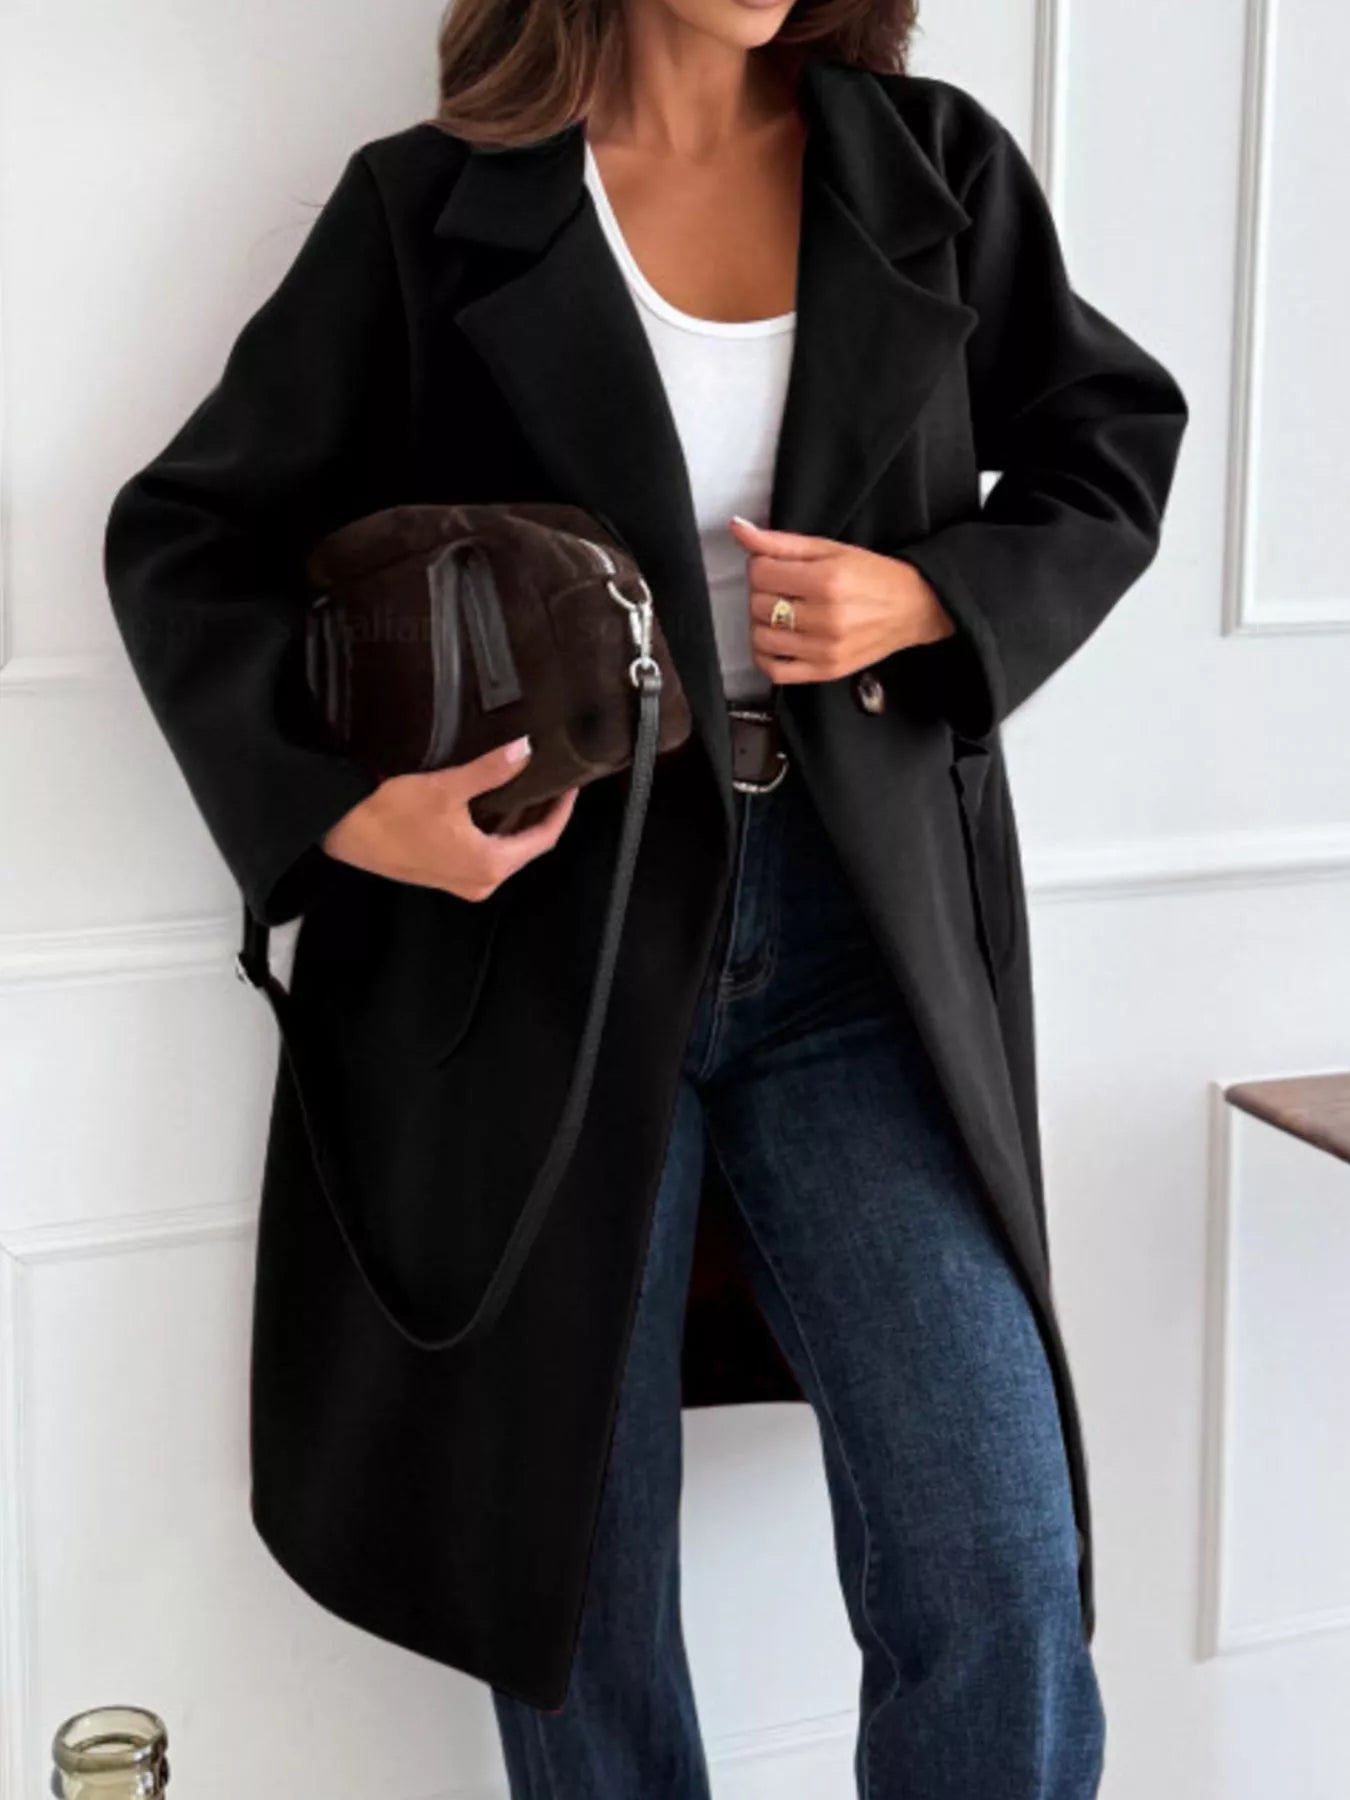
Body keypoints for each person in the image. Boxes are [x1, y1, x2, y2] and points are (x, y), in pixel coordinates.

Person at [102, 0, 1188, 1794]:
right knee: (574, 1585)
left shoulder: (927, 167)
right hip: (540, 951)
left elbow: (1106, 442)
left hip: (860, 941)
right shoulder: (426, 206)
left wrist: (932, 596)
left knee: (995, 1553)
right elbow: (187, 538)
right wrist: (344, 815)